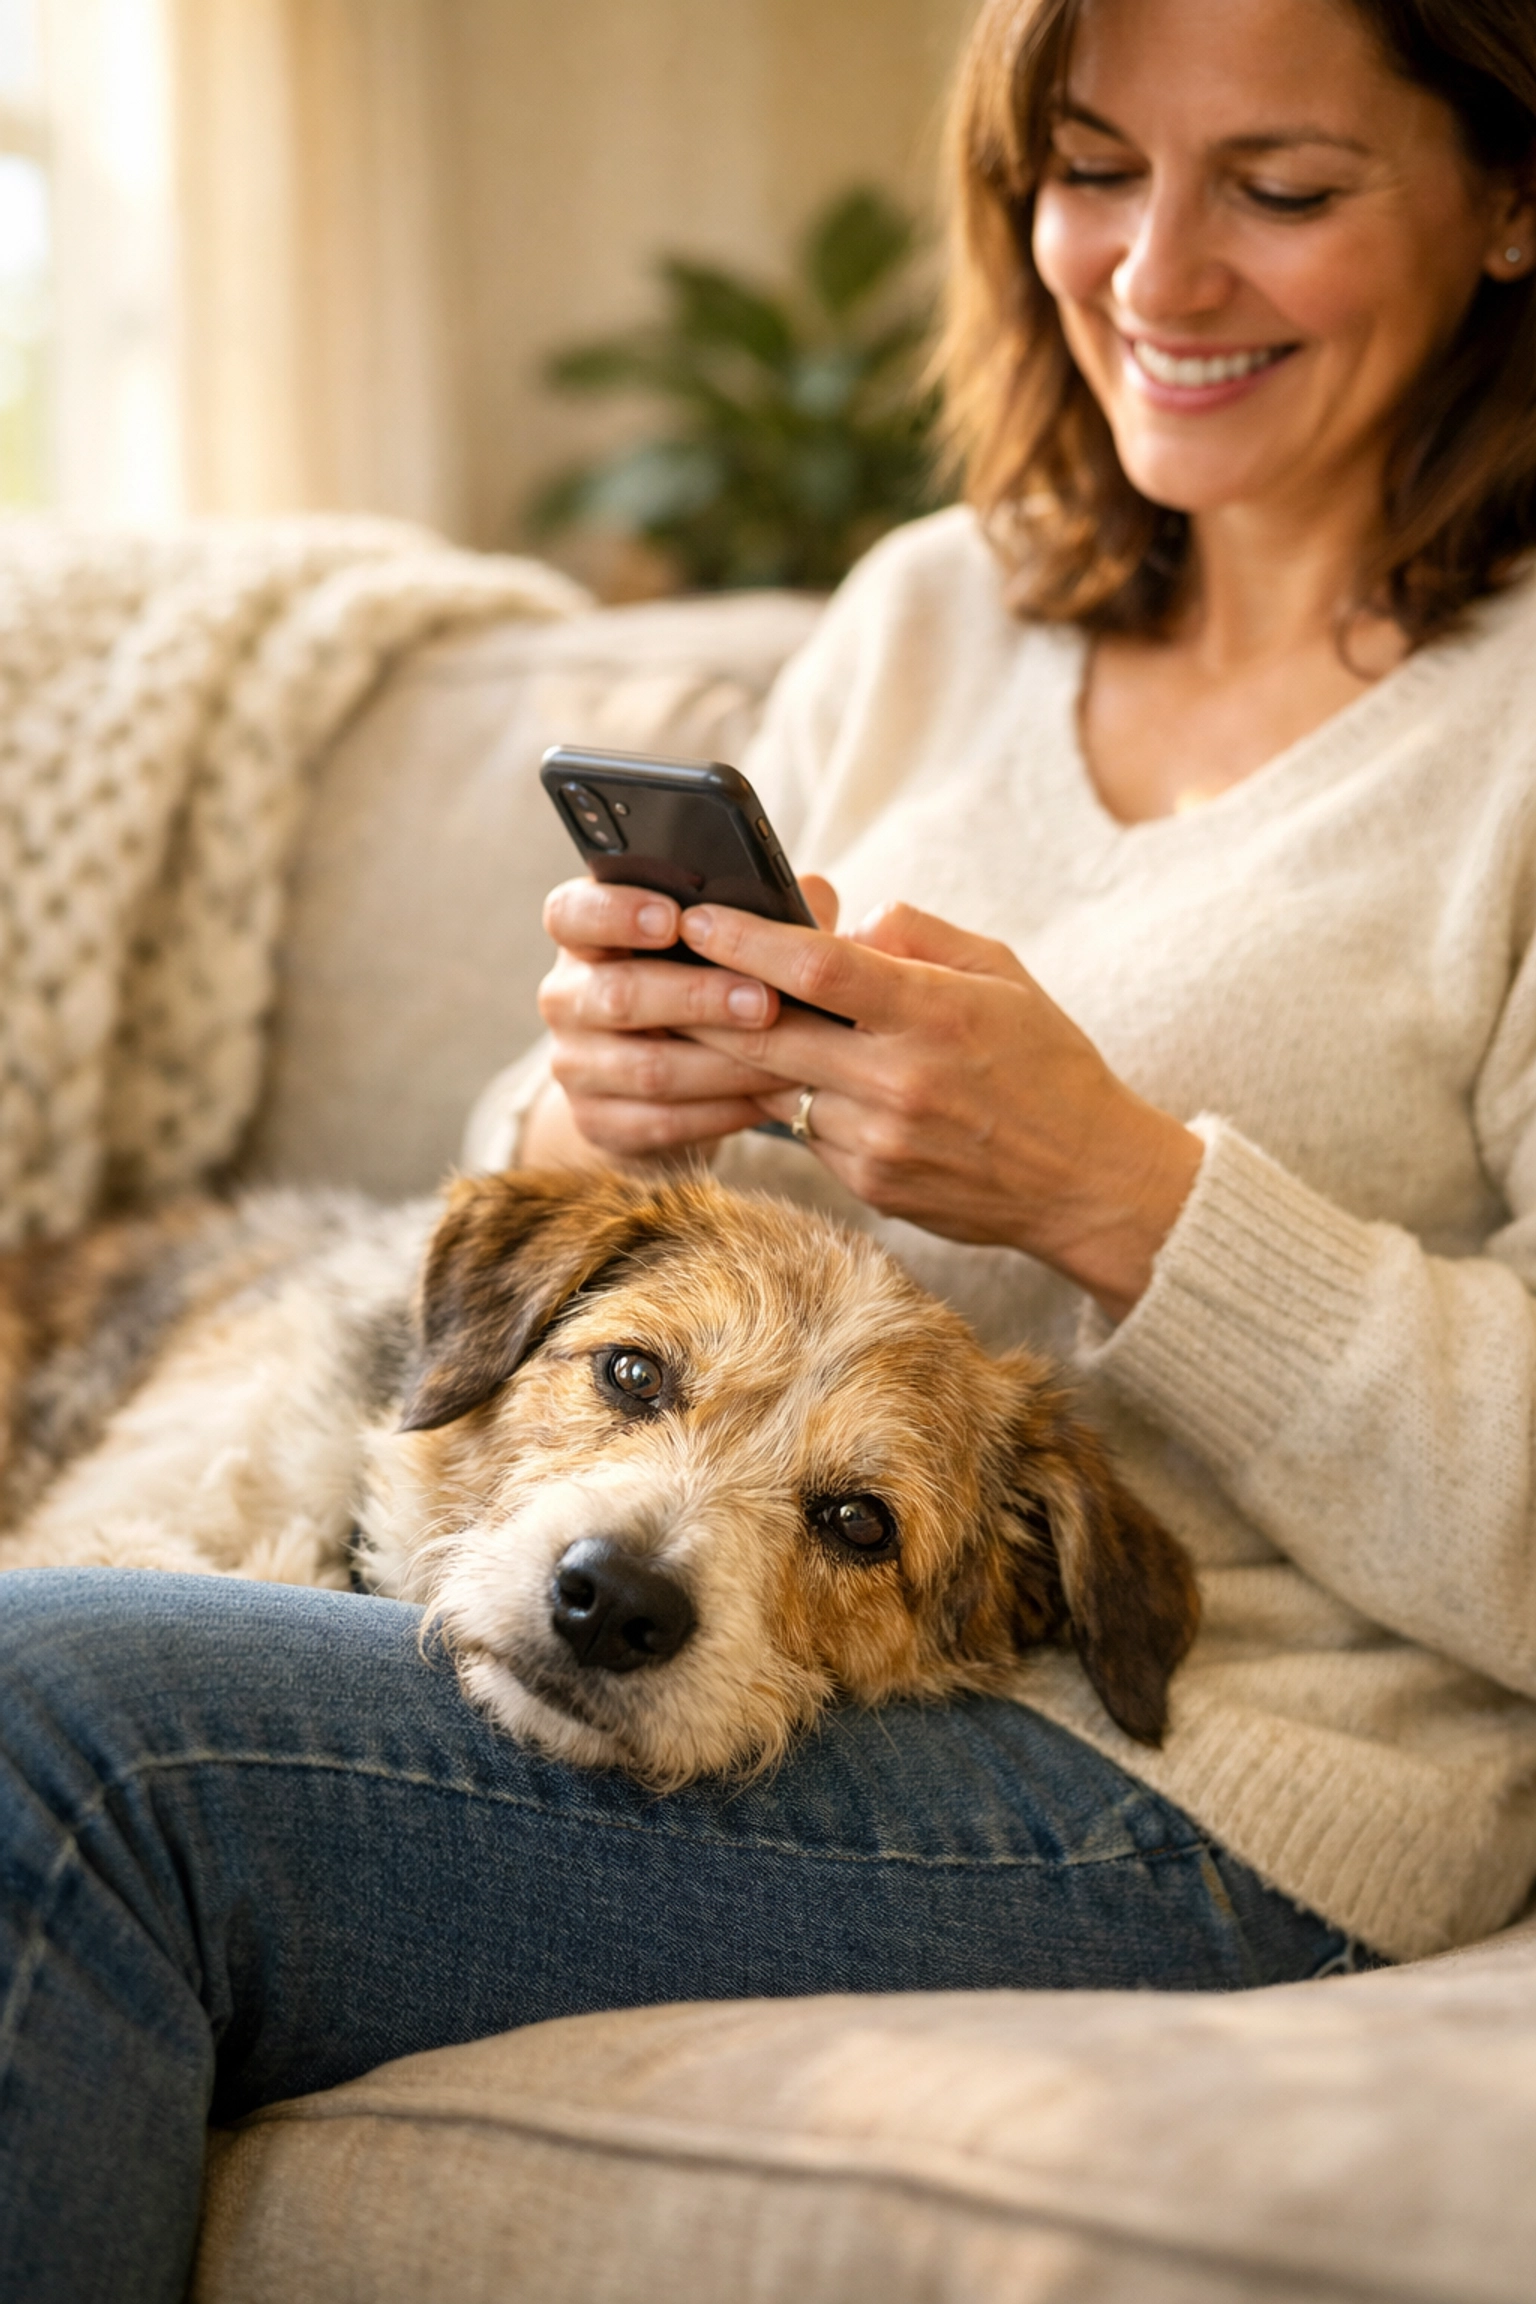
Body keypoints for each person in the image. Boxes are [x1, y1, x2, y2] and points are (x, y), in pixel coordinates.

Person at [6, 0, 1536, 2294]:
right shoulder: (934, 610)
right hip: (809, 1608)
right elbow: (544, 1269)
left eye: (1285, 190)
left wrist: (1121, 1191)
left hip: (1190, 1775)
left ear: (1516, 198)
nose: (1150, 275)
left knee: (62, 1730)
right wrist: (587, 1102)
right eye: (1094, 166)